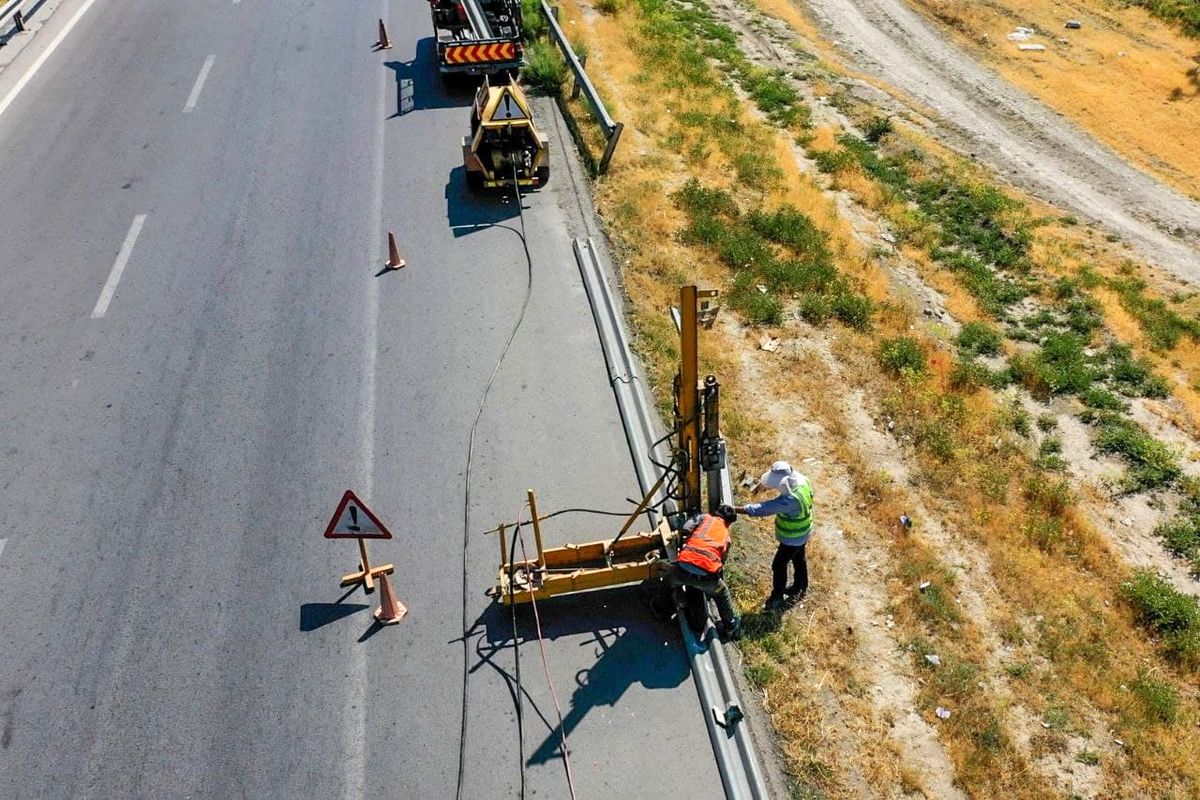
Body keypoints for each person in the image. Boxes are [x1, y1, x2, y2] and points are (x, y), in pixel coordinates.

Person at [735, 460, 814, 611]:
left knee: (778, 565)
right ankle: (800, 586)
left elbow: (762, 509)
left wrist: (734, 509)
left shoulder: (790, 500)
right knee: (799, 558)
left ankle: (777, 596)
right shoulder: (803, 480)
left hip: (793, 537)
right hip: (805, 529)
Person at [665, 505, 741, 639]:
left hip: (682, 569)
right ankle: (730, 627)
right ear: (729, 522)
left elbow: (684, 528)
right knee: (722, 594)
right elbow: (721, 562)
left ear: (716, 512)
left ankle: (659, 607)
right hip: (707, 577)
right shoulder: (726, 537)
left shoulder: (705, 518)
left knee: (668, 581)